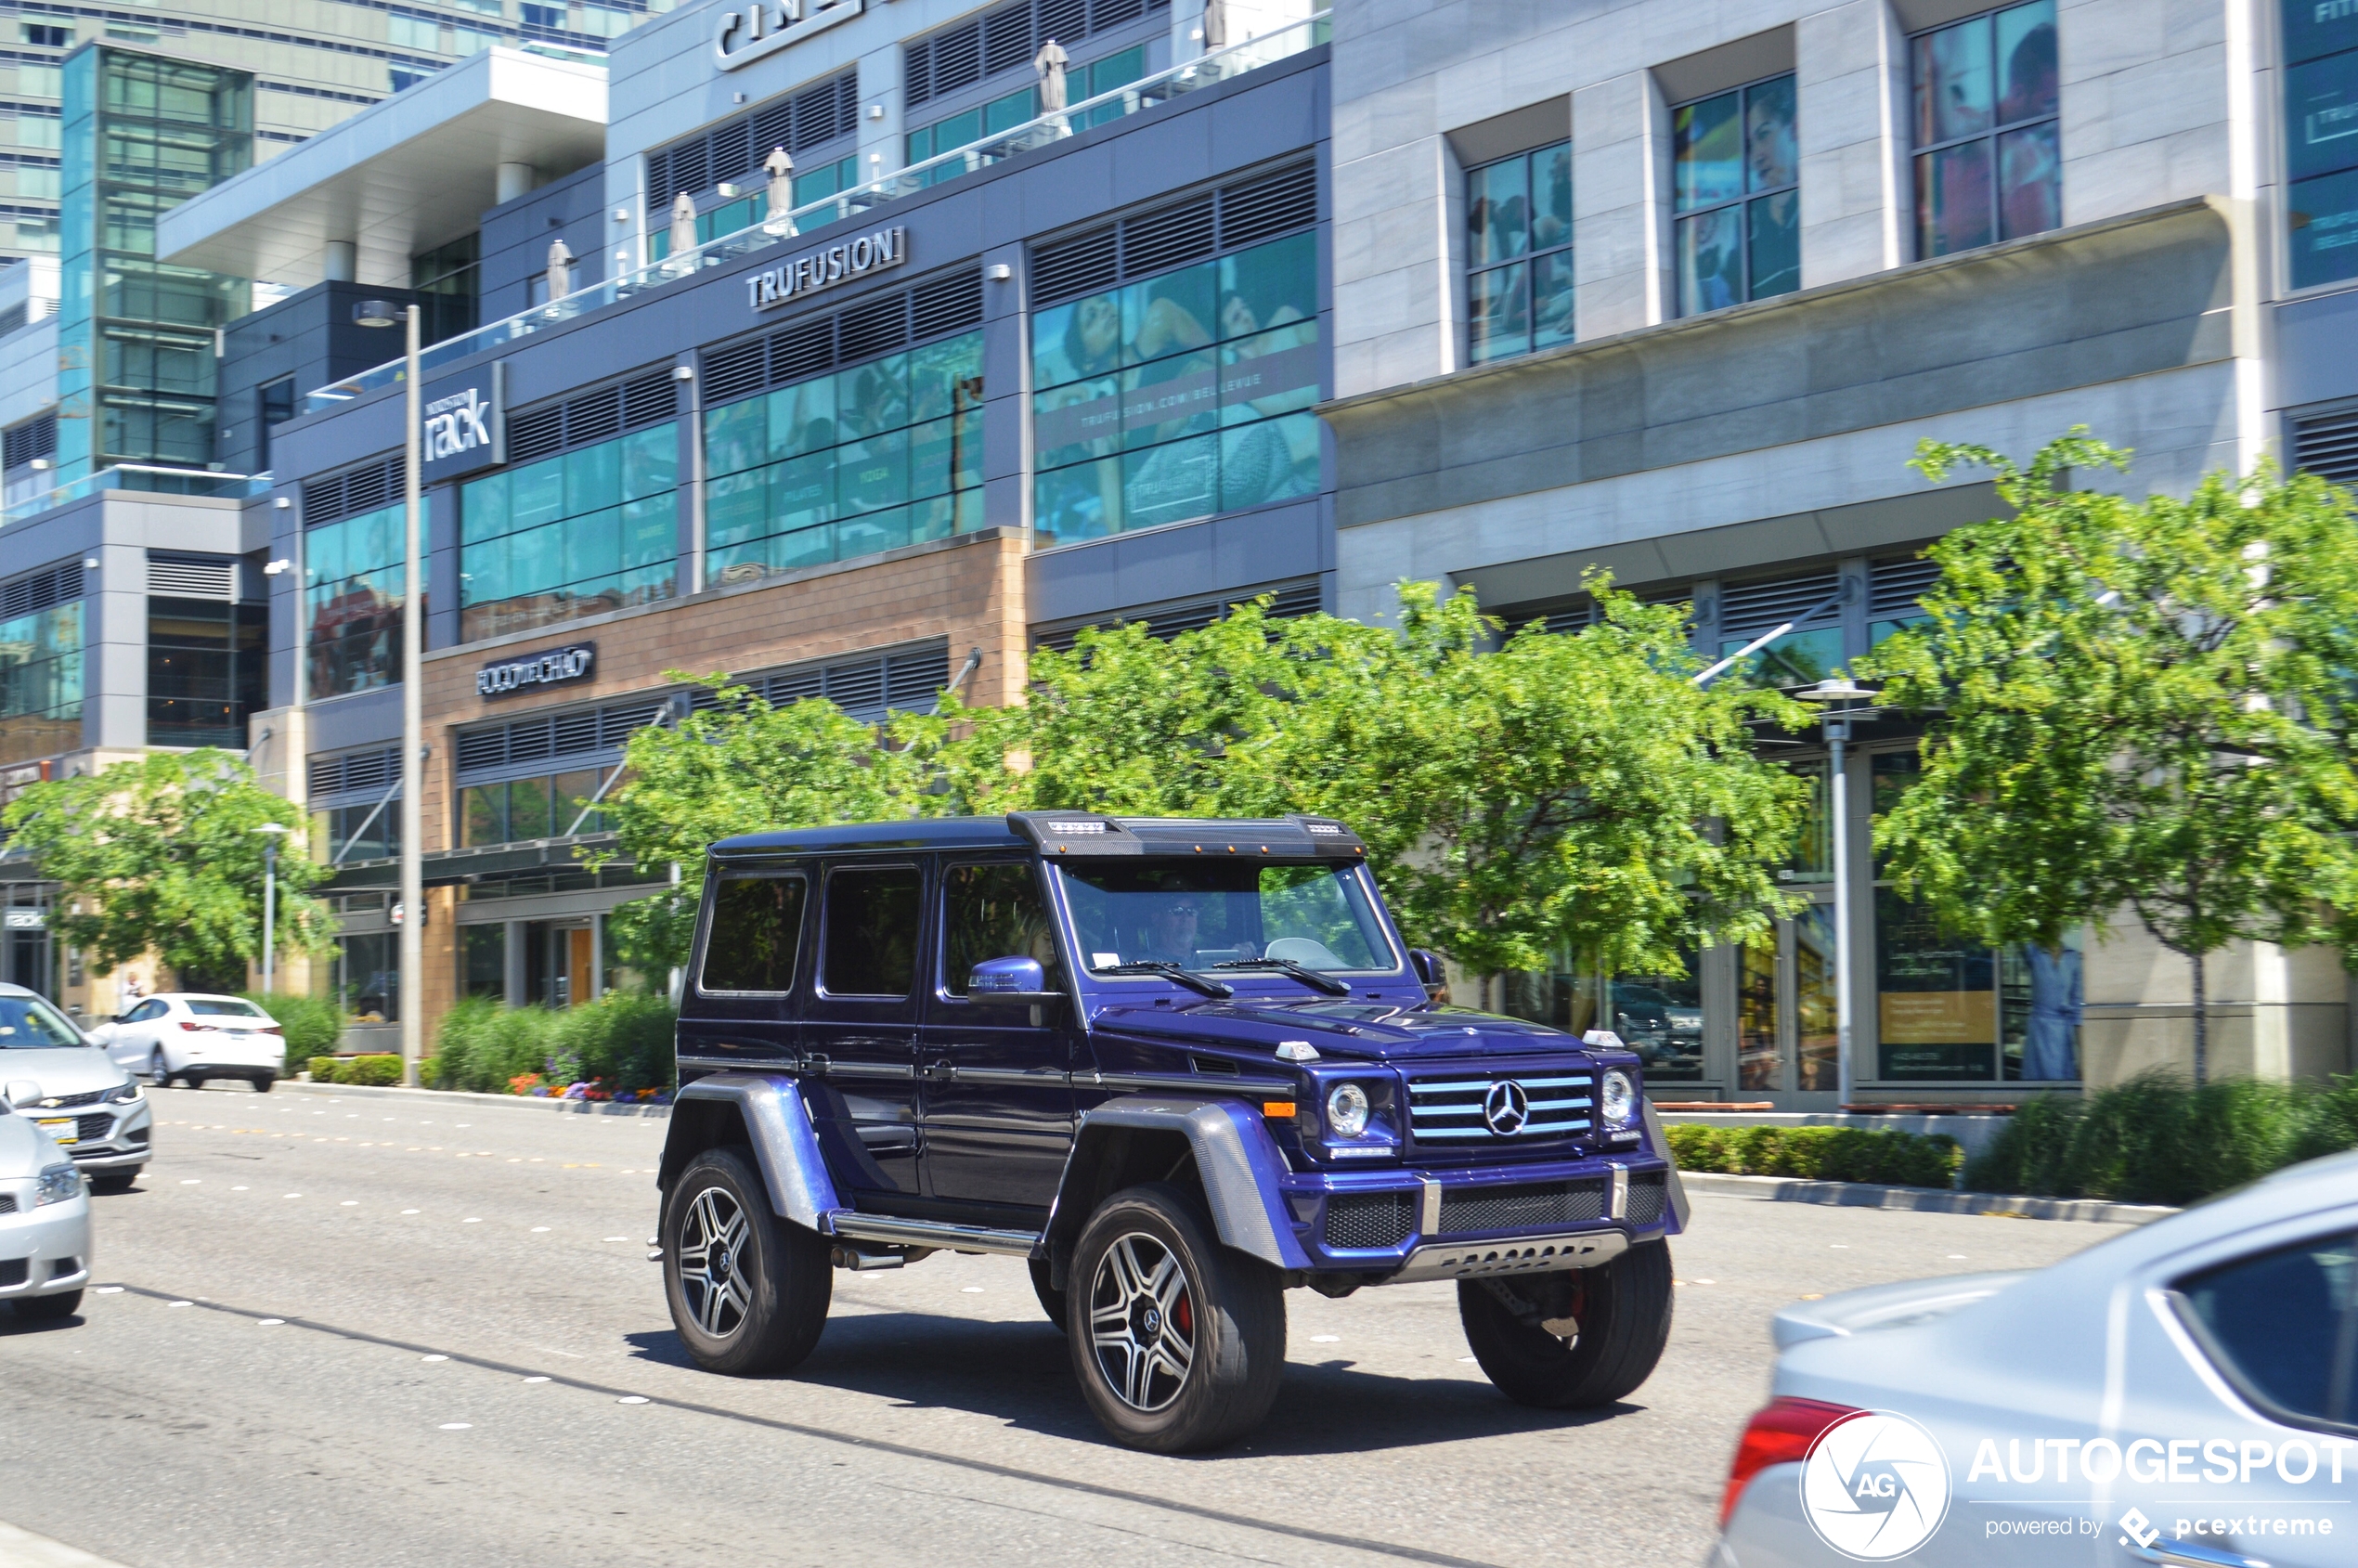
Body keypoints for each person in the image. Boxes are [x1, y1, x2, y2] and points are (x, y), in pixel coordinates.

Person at [1134, 897, 1202, 966]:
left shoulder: (1208, 962)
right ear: (1157, 919)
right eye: (1176, 911)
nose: (1185, 918)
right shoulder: (1145, 964)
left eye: (1191, 911)